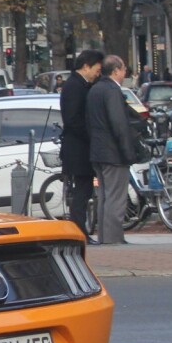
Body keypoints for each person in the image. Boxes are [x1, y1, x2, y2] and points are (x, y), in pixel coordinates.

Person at [86, 54, 136, 246]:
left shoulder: (95, 90)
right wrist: (127, 151)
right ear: (116, 70)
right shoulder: (112, 91)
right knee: (116, 196)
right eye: (123, 69)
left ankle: (106, 237)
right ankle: (113, 239)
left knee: (105, 196)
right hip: (113, 152)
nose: (125, 73)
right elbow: (119, 124)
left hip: (98, 151)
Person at [59, 49, 103, 241]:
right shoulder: (75, 87)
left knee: (83, 192)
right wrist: (91, 137)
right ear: (86, 66)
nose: (98, 74)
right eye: (96, 69)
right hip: (78, 149)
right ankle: (79, 232)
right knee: (81, 193)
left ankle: (81, 230)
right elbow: (73, 120)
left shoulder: (79, 84)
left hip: (79, 148)